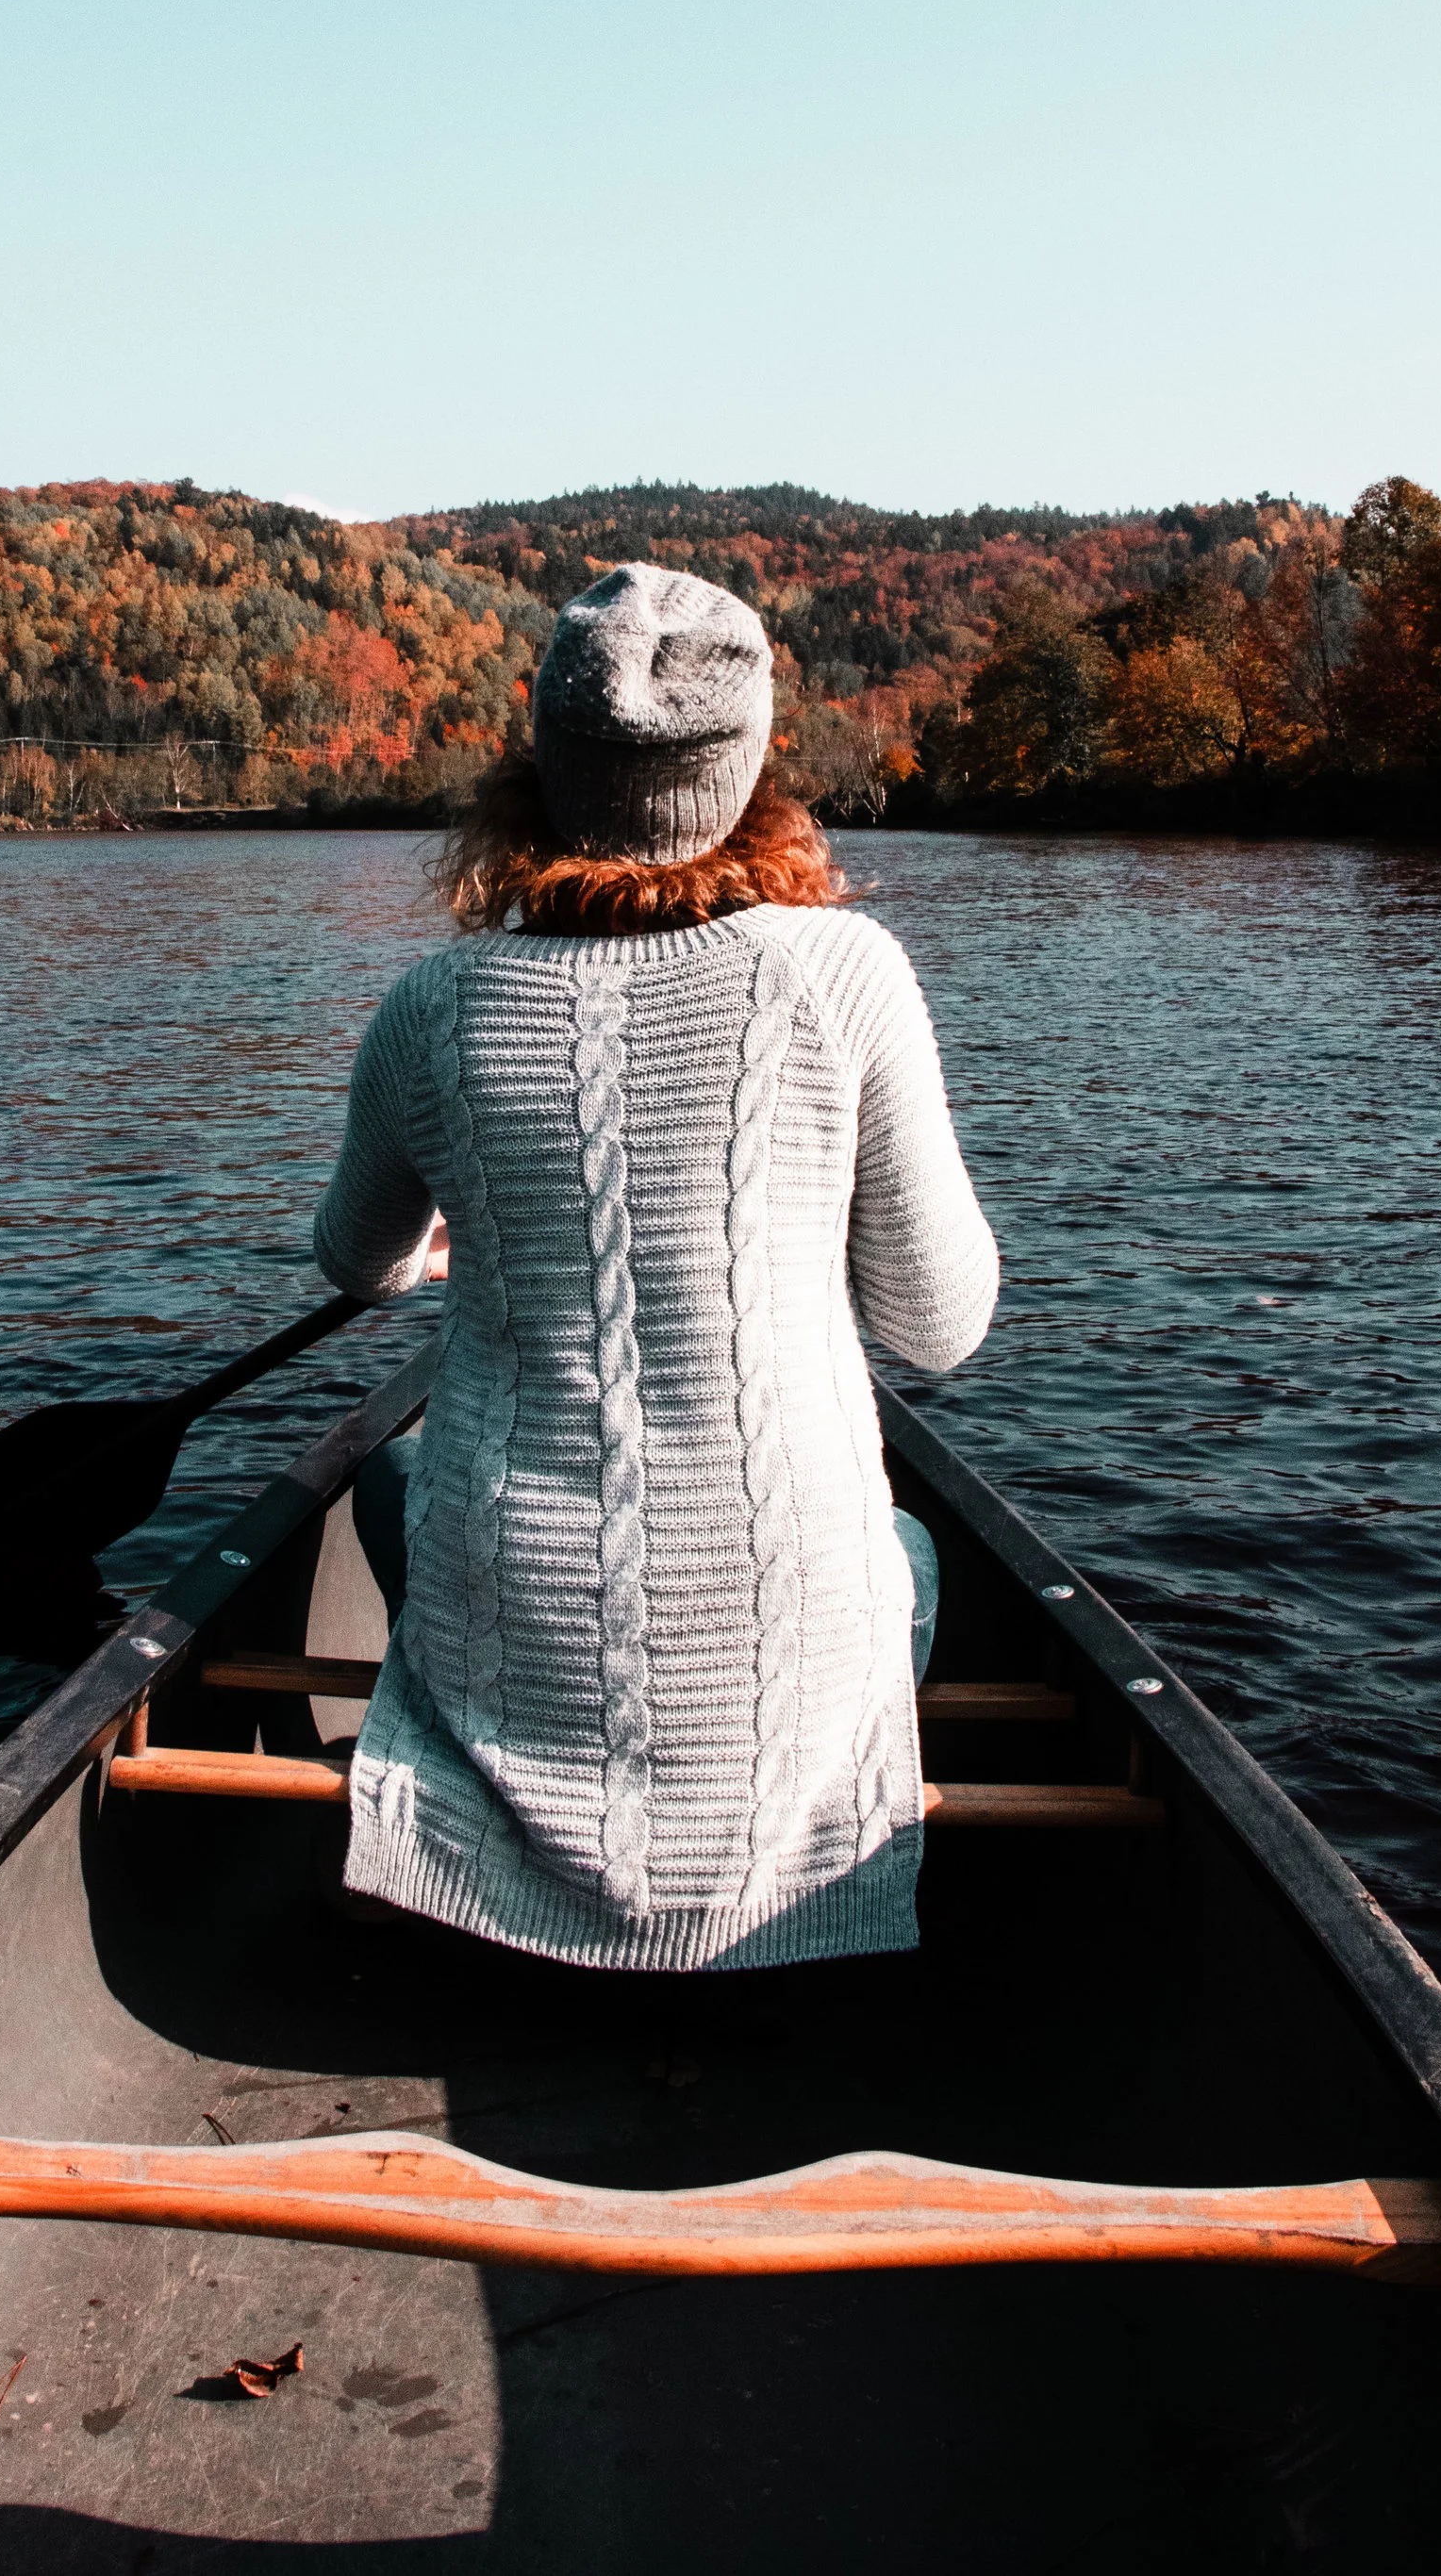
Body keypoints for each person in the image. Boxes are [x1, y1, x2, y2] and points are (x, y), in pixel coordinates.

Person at [312, 561, 998, 1973]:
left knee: (383, 1482)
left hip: (518, 1627)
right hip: (780, 1667)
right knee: (919, 1552)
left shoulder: (431, 1008)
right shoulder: (849, 972)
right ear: (746, 768)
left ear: (545, 766)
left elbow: (354, 1261)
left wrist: (447, 1236)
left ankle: (494, 1831)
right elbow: (936, 1328)